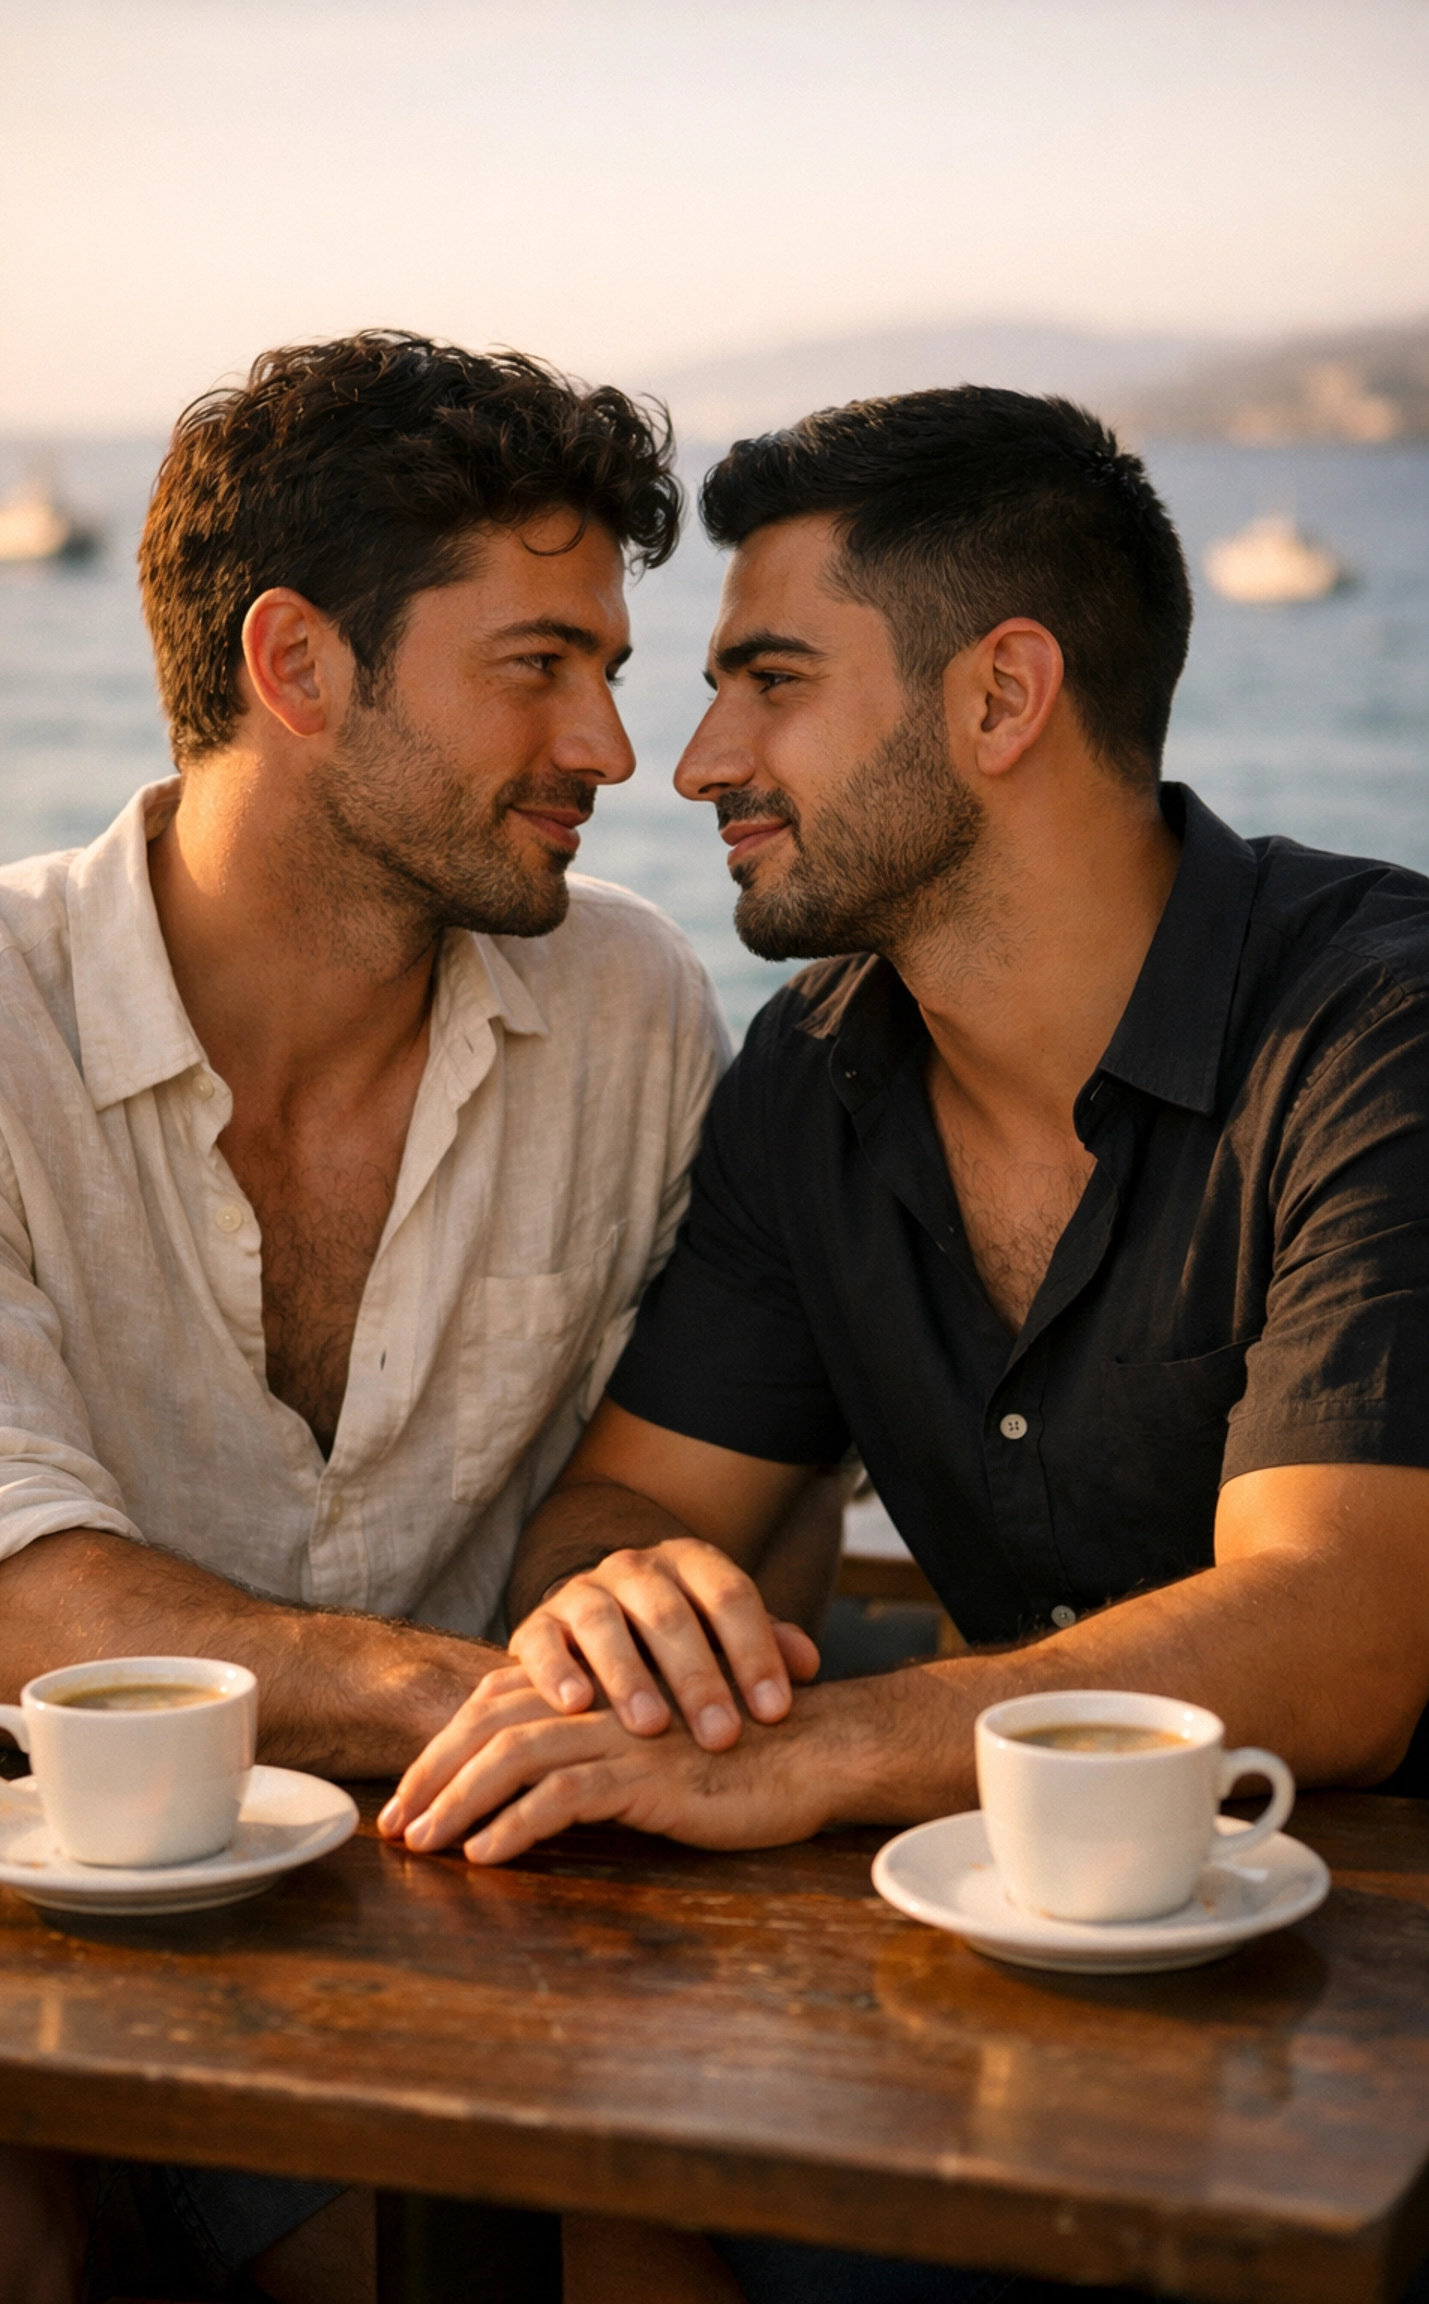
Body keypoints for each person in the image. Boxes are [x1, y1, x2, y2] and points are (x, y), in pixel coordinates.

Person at [387, 386, 1429, 2304]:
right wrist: (633, 1602)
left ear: (1002, 699)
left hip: (1367, 2042)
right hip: (1030, 1996)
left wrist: (822, 1753)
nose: (694, 761)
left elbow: (1349, 1632)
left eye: (769, 681)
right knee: (554, 2178)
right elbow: (625, 1494)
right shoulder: (820, 1077)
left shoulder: (1373, 1032)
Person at [0, 330, 790, 2304]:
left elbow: (724, 1479)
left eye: (611, 673)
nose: (613, 755)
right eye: (537, 666)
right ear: (296, 667)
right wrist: (465, 1697)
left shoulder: (633, 1019)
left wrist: (643, 1602)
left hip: (419, 1971)